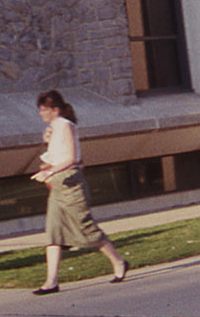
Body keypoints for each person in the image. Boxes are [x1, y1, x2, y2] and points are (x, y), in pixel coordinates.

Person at [29, 91, 127, 295]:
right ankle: (51, 282)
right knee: (54, 232)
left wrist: (49, 171)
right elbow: (55, 157)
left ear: (55, 109)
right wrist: (47, 144)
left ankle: (118, 262)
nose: (41, 113)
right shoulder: (54, 128)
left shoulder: (65, 125)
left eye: (44, 110)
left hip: (71, 184)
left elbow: (71, 158)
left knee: (86, 227)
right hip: (58, 186)